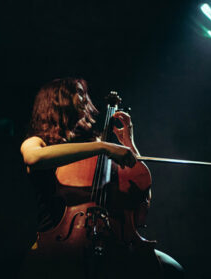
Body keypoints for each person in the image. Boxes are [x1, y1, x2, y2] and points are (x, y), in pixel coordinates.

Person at [20, 77, 184, 278]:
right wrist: (102, 146)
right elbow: (32, 157)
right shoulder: (38, 141)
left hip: (110, 236)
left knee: (173, 270)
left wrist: (128, 144)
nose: (85, 99)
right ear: (58, 99)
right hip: (59, 243)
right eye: (78, 92)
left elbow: (138, 186)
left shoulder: (90, 145)